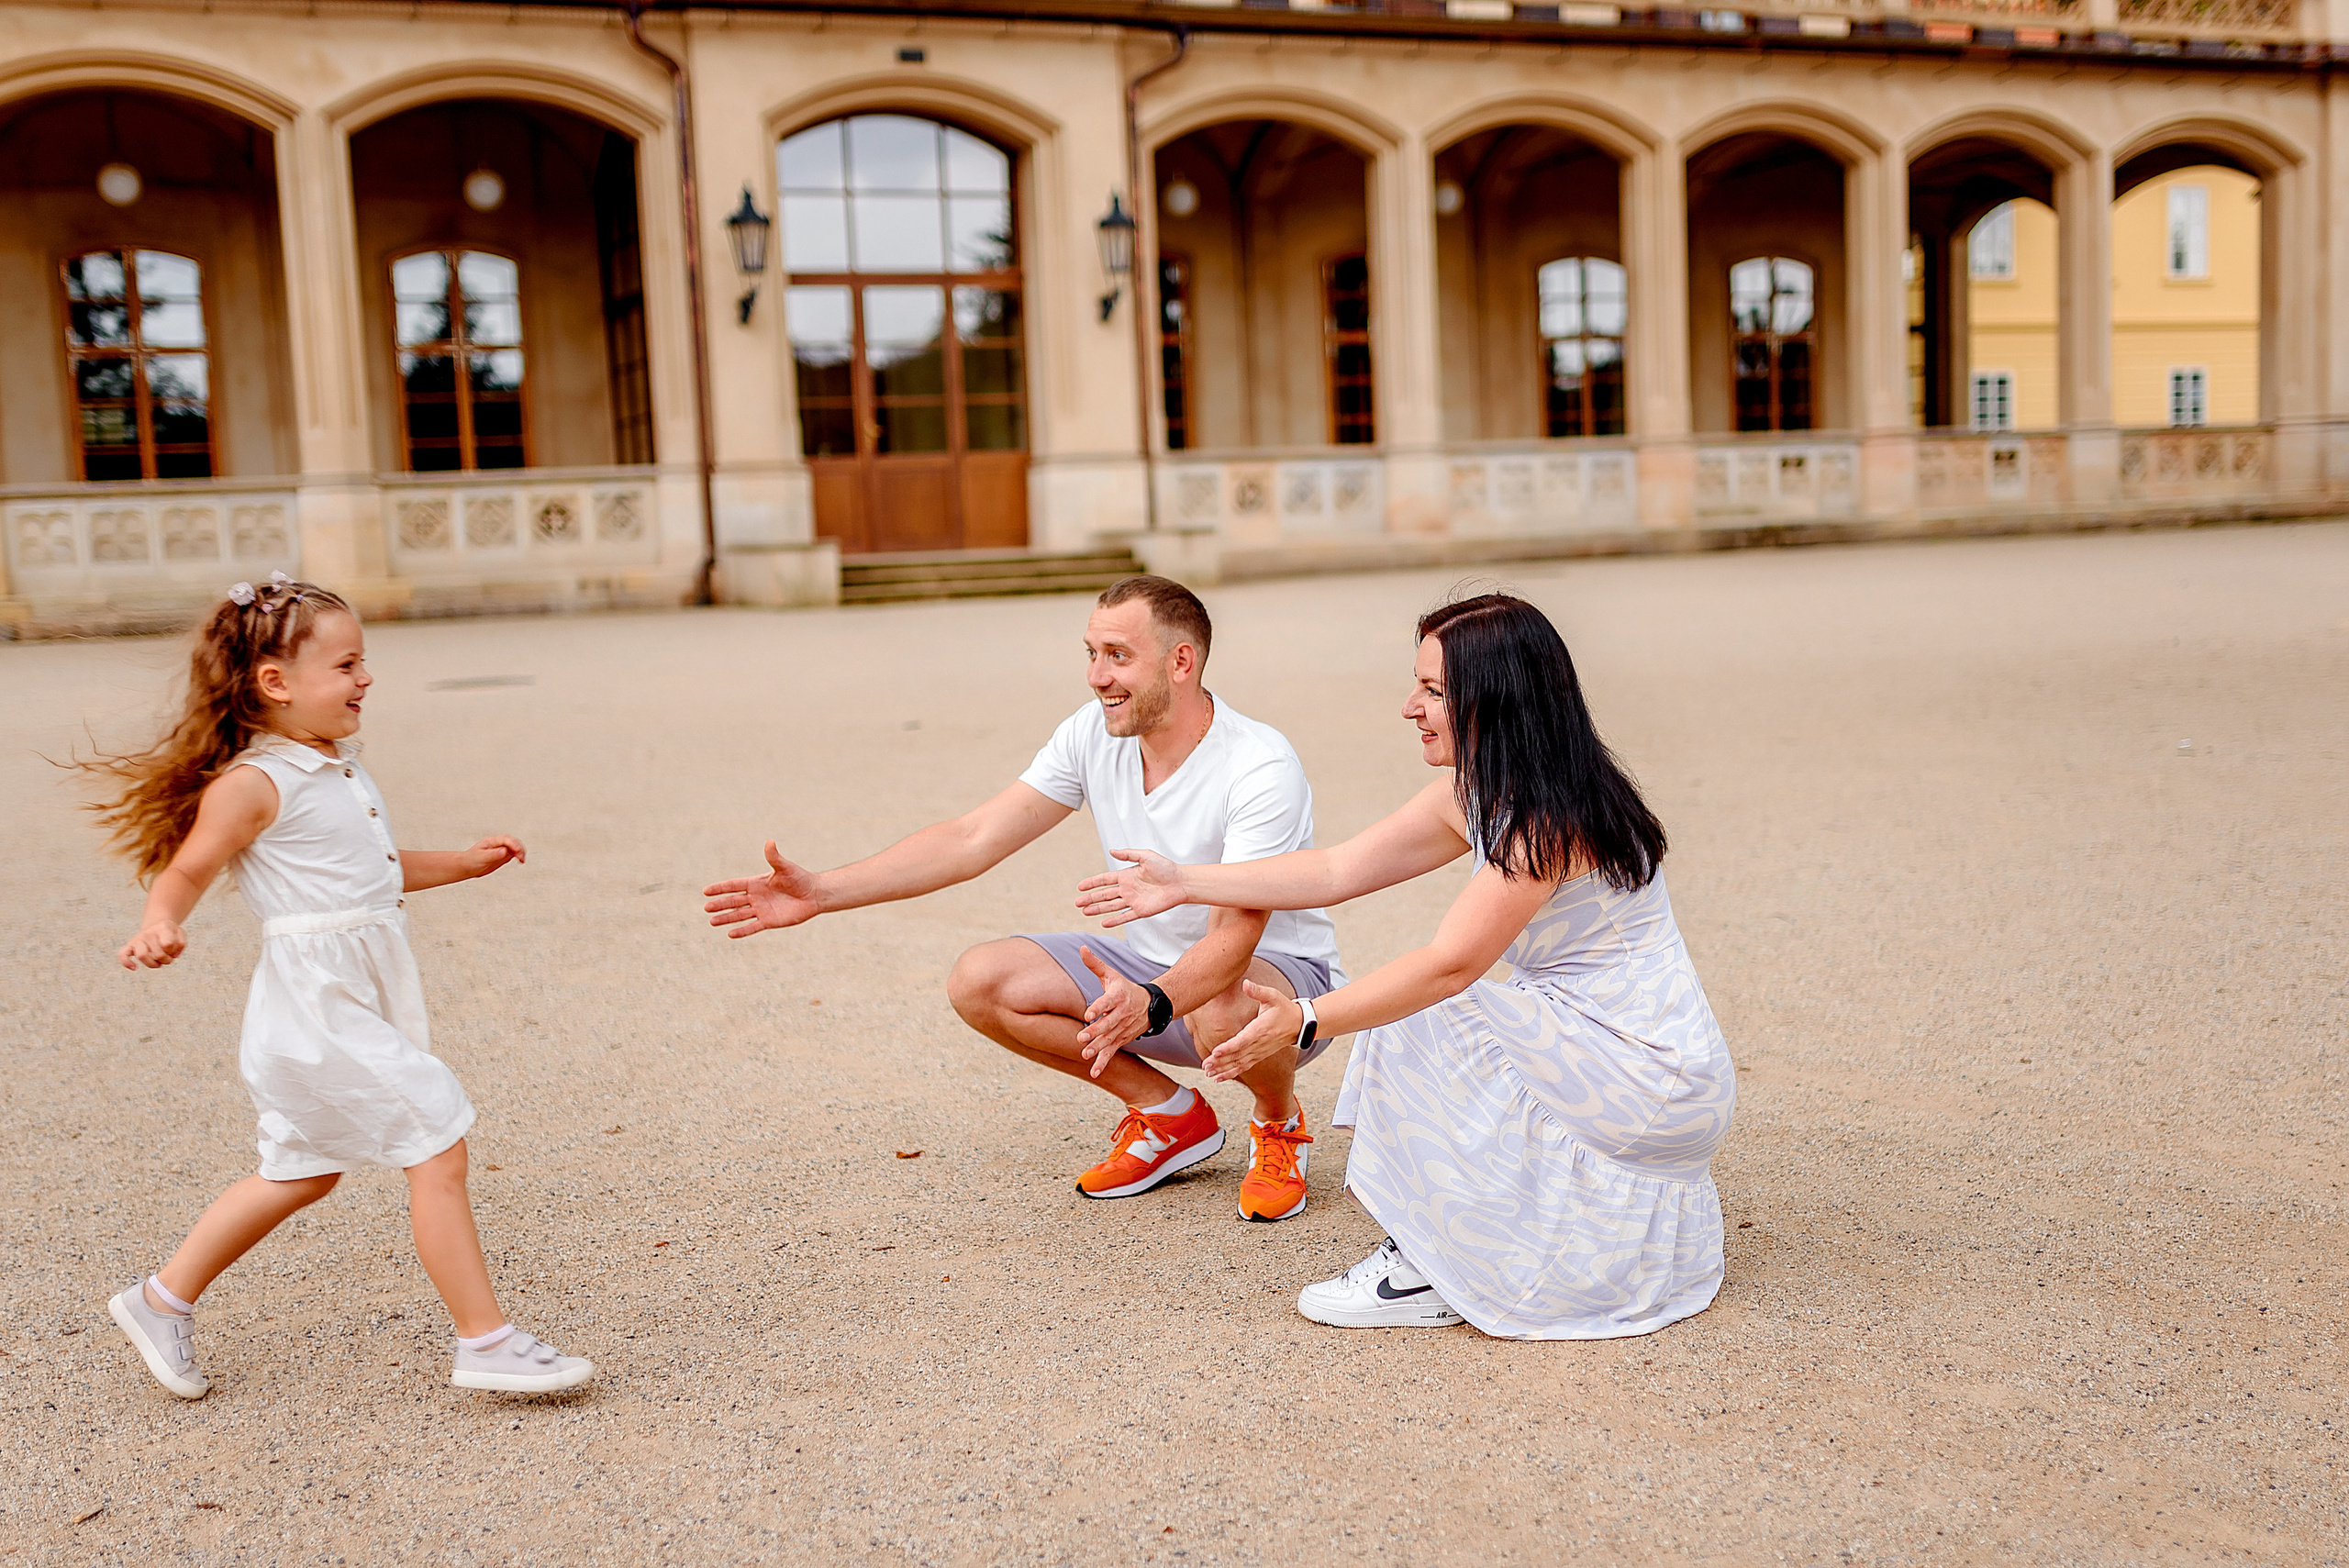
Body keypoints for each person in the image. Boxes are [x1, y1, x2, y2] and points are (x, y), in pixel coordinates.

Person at [1075, 593, 1735, 1340]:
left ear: (1496, 699)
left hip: (1649, 1073)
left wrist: (1308, 1016)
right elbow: (1333, 870)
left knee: (1421, 1008)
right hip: (1617, 1057)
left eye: (1433, 691)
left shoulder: (1550, 816)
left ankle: (1427, 1263)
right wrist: (1186, 880)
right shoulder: (1485, 790)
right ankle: (1459, 1242)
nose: (1409, 707)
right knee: (1434, 1008)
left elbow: (1451, 966)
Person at [89, 573, 593, 1398]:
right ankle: (486, 1340)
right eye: (348, 664)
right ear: (275, 683)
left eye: (364, 662)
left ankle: (158, 1299)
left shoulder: (336, 767)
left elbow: (374, 873)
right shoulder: (256, 784)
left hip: (353, 995)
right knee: (436, 1138)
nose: (365, 679)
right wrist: (161, 922)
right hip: (315, 1006)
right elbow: (185, 868)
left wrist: (461, 863)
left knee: (303, 1170)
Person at [703, 575, 1345, 1218]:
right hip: (1152, 989)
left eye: (1118, 655)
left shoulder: (1259, 764)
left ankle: (1277, 1120)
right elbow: (972, 837)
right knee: (980, 979)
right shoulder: (1092, 734)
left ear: (1182, 661)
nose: (1096, 676)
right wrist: (820, 891)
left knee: (1222, 999)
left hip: (1273, 994)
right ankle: (1170, 1113)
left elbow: (1234, 941)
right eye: (1091, 653)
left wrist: (1151, 1004)